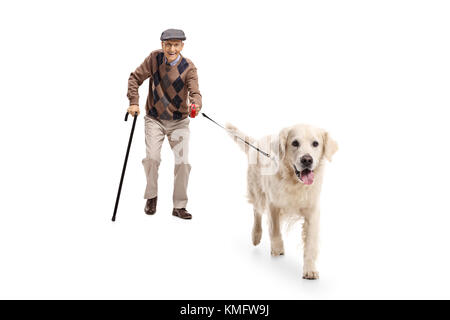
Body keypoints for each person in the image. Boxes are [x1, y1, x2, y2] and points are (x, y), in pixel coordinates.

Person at [127, 28, 202, 220]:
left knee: (183, 163)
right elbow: (135, 78)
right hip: (155, 119)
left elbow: (195, 92)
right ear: (162, 45)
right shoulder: (154, 59)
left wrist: (196, 104)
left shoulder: (189, 67)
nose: (171, 48)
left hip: (179, 122)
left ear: (182, 46)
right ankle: (151, 196)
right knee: (152, 159)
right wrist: (134, 102)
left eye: (176, 44)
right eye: (168, 44)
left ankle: (179, 206)